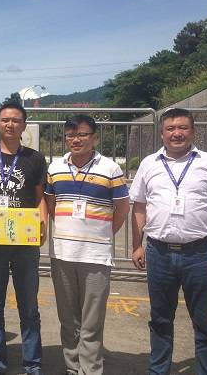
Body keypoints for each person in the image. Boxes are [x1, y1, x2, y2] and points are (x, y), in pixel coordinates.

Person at [130, 108, 207, 375]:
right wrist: (137, 245)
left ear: (193, 131)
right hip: (158, 253)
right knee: (160, 319)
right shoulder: (149, 164)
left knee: (204, 321)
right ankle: (158, 370)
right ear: (162, 133)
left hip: (199, 254)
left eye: (183, 128)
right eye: (170, 129)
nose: (177, 133)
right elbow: (139, 206)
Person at [44, 115, 129, 375]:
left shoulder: (110, 169)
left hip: (96, 255)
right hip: (62, 254)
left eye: (82, 134)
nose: (76, 139)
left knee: (91, 321)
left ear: (95, 137)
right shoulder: (55, 168)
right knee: (68, 319)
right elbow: (51, 204)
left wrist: (102, 233)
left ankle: (90, 370)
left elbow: (122, 208)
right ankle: (72, 367)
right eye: (70, 135)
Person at [0, 102, 47, 375]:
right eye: (5, 120)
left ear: (24, 125)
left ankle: (32, 363)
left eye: (15, 120)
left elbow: (40, 198)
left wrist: (43, 223)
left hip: (24, 243)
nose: (10, 124)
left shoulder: (35, 159)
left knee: (29, 306)